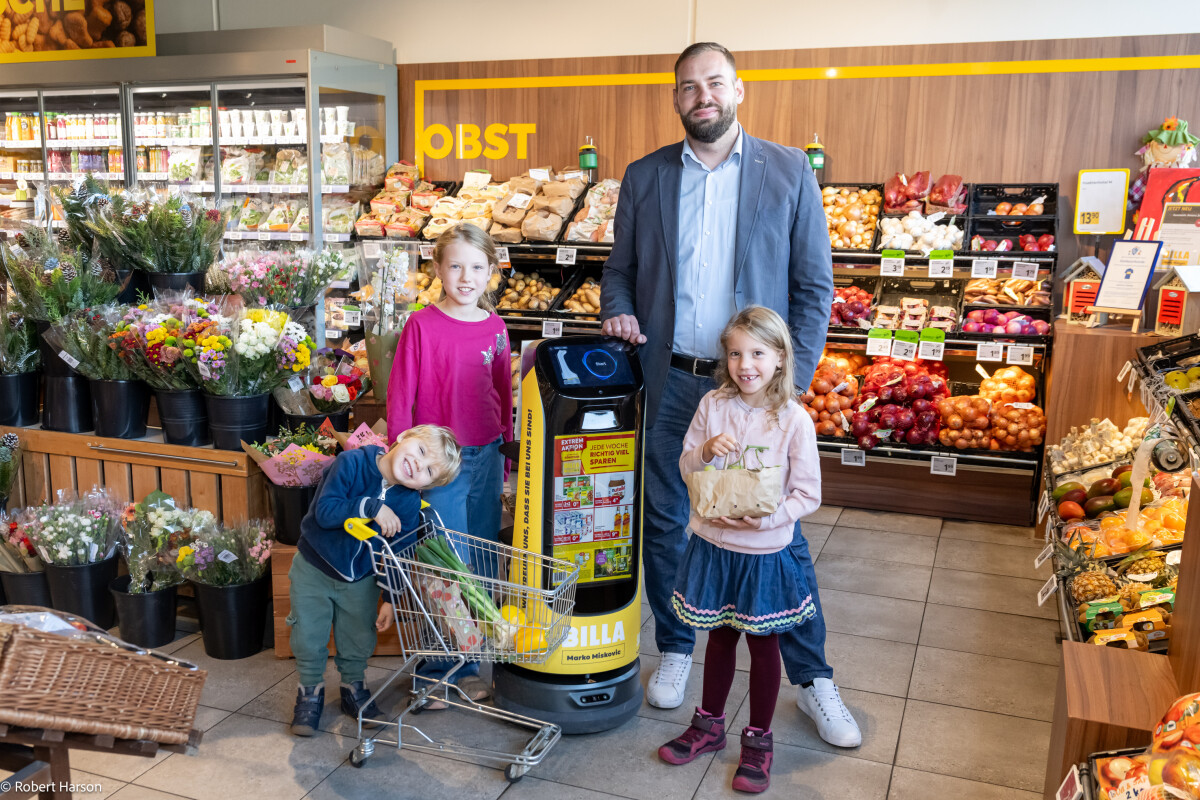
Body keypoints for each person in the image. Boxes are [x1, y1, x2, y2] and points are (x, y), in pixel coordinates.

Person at [600, 41, 861, 748]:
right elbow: (618, 272)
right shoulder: (645, 175)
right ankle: (678, 647)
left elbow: (813, 288)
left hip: (760, 392)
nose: (702, 95)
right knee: (666, 520)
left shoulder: (786, 171)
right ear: (676, 98)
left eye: (714, 83)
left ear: (738, 89)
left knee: (779, 536)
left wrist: (790, 386)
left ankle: (813, 680)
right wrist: (617, 310)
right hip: (676, 381)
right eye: (689, 87)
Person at [659, 307, 819, 793]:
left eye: (757, 353)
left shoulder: (793, 419)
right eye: (735, 353)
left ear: (779, 358)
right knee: (720, 637)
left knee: (764, 642)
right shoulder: (713, 405)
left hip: (765, 552)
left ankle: (758, 741)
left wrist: (765, 518)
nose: (745, 364)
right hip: (713, 543)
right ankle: (708, 725)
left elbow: (808, 494)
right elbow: (687, 464)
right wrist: (706, 452)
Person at [386, 223, 513, 706]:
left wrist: (505, 454)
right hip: (437, 464)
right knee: (444, 561)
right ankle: (438, 669)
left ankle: (473, 657)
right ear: (437, 268)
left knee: (480, 555)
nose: (465, 277)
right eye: (455, 265)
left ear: (491, 273)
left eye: (477, 267)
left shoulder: (496, 328)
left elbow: (502, 392)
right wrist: (402, 458)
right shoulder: (421, 325)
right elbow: (402, 396)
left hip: (484, 455)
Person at [288, 425, 462, 736]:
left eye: (429, 471)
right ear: (404, 437)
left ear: (429, 485)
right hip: (314, 567)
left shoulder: (408, 503)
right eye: (421, 451)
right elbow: (325, 513)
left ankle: (353, 687)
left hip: (362, 579)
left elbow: (397, 553)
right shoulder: (351, 463)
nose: (417, 465)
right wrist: (371, 506)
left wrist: (391, 599)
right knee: (307, 634)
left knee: (358, 637)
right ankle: (309, 691)